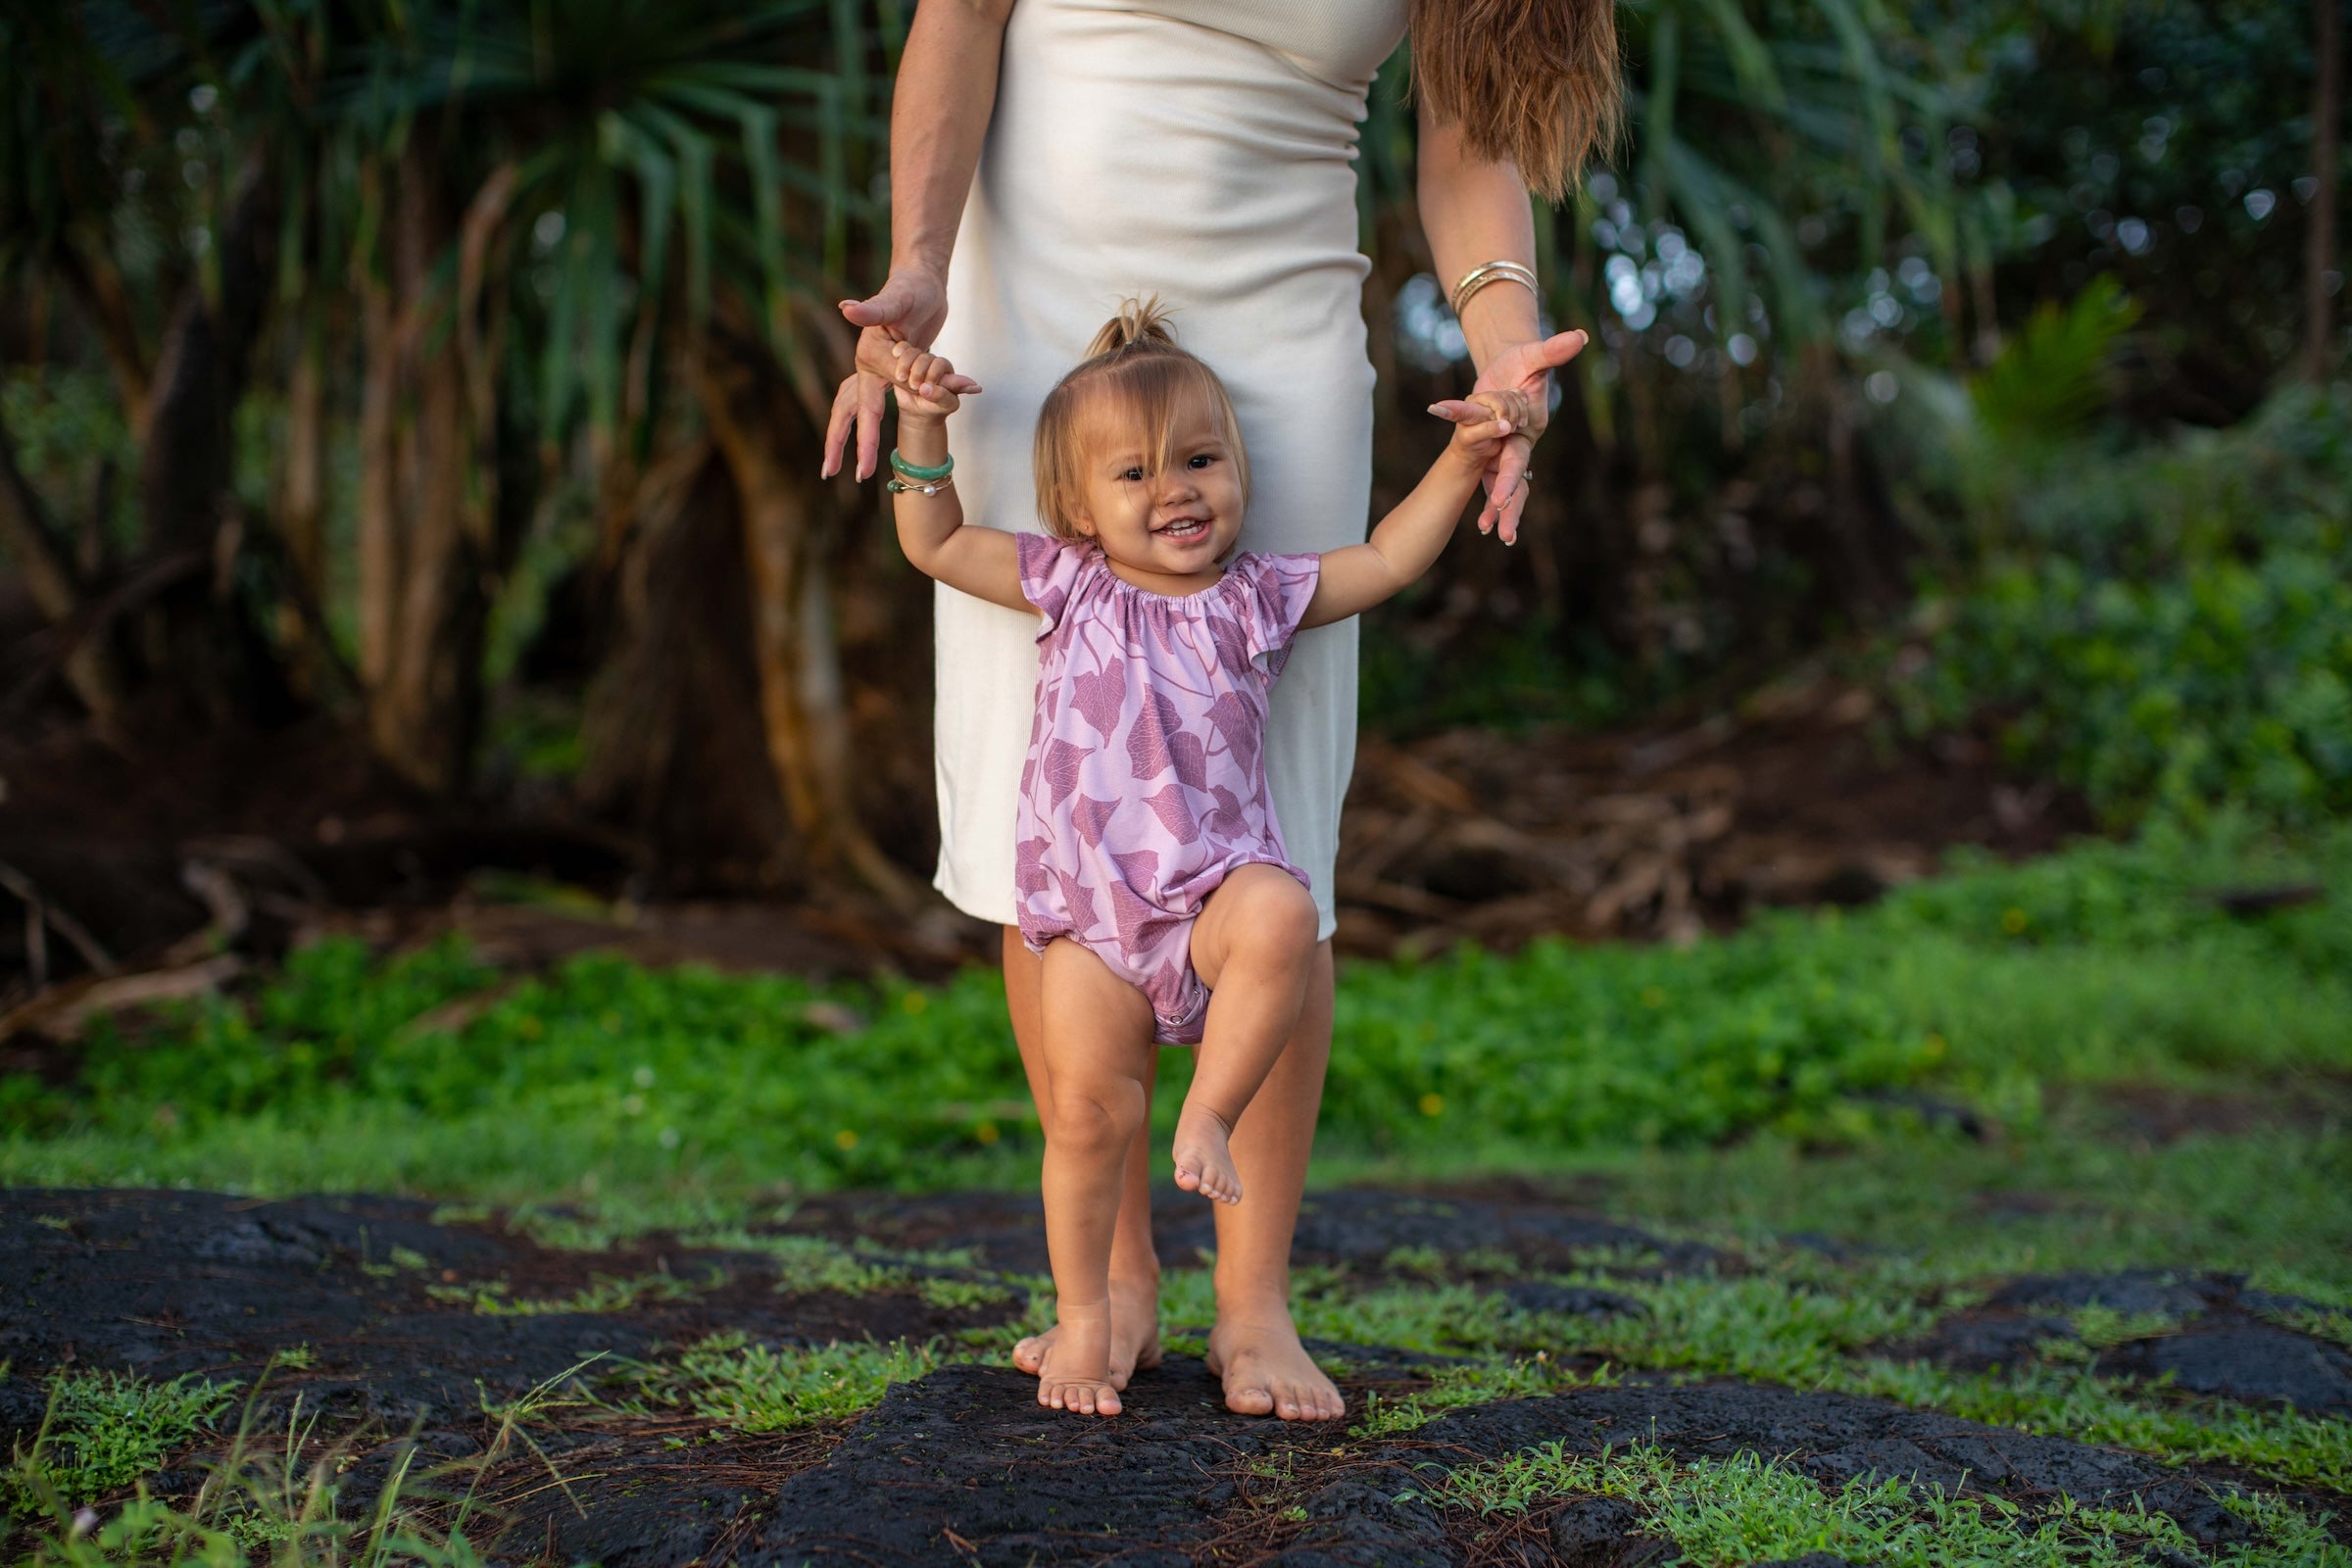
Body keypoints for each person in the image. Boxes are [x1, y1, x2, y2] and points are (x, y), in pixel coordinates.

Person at [821, 0, 1618, 1423]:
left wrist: (1504, 348)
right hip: (1031, 317)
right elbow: (959, 21)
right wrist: (920, 271)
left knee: (1277, 841)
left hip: (1280, 330)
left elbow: (1469, 141)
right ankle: (1112, 1277)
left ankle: (1253, 1303)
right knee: (1039, 810)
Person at [881, 300, 1534, 1413]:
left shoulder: (1256, 599)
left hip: (1210, 903)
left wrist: (1466, 456)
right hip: (1088, 921)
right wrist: (922, 430)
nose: (1174, 488)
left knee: (1286, 912)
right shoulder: (1070, 581)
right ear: (1077, 508)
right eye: (1133, 474)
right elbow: (931, 541)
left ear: (1237, 469)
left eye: (1199, 459)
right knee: (1087, 1118)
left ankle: (1213, 1113)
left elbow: (1384, 560)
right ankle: (1093, 1316)